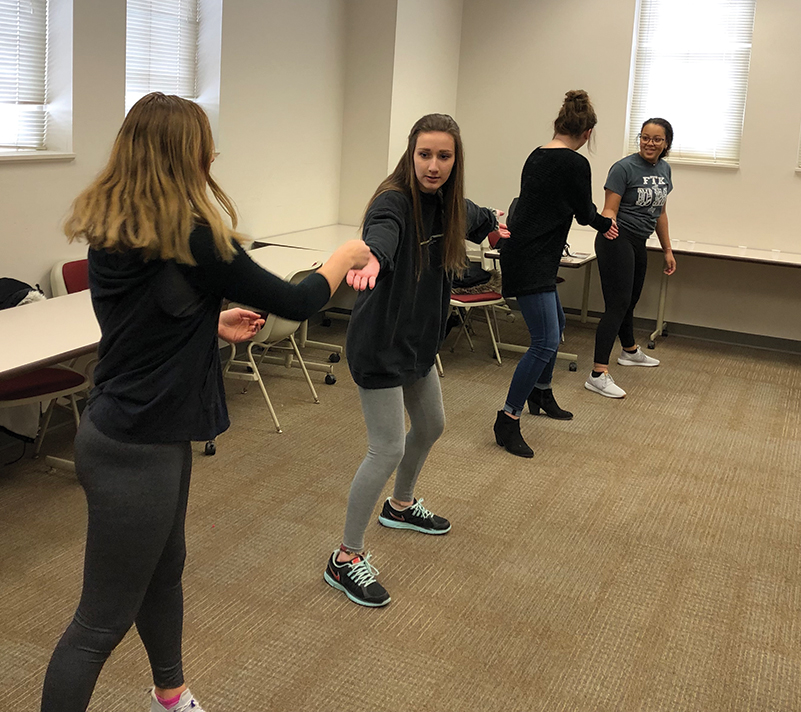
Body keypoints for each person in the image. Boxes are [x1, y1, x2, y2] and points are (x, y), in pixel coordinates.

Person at [41, 92, 370, 712]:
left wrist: (205, 322)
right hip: (134, 448)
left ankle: (170, 694)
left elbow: (140, 317)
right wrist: (343, 258)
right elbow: (297, 302)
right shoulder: (194, 238)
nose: (212, 158)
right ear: (188, 156)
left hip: (138, 433)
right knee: (99, 624)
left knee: (164, 573)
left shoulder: (119, 231)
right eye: (206, 148)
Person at [324, 113, 507, 607]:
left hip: (419, 343)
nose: (433, 165)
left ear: (455, 160)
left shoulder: (449, 203)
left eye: (443, 156)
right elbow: (382, 235)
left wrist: (499, 228)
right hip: (380, 344)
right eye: (424, 154)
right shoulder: (393, 201)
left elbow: (480, 217)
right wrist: (375, 258)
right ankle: (345, 556)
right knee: (386, 449)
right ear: (411, 154)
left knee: (430, 425)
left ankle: (400, 505)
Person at [494, 90, 617, 458]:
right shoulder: (574, 163)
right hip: (531, 259)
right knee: (545, 341)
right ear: (588, 132)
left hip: (529, 254)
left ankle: (542, 393)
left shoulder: (537, 154)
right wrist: (606, 224)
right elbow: (584, 212)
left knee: (556, 325)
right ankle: (508, 418)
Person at [585, 117, 676, 399]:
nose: (650, 143)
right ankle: (598, 374)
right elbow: (609, 208)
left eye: (657, 139)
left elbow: (660, 212)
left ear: (666, 143)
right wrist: (608, 222)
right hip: (616, 238)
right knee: (617, 304)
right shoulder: (623, 168)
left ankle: (629, 350)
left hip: (639, 240)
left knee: (630, 300)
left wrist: (668, 249)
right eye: (645, 137)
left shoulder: (664, 170)